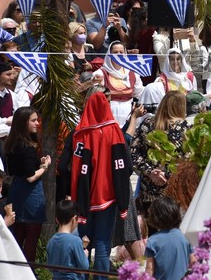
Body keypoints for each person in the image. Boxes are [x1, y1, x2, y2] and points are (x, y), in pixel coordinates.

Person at [71, 92, 131, 280]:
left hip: (84, 197)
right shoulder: (114, 130)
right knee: (103, 243)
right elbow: (126, 166)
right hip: (109, 196)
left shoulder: (81, 133)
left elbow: (68, 166)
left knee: (83, 243)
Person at [131, 91, 191, 215]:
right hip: (174, 192)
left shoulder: (147, 123)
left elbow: (134, 153)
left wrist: (150, 172)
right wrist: (167, 174)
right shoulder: (186, 128)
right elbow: (188, 160)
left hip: (148, 192)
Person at [4, 106, 51, 262]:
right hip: (31, 194)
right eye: (33, 120)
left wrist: (38, 162)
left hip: (16, 190)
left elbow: (18, 169)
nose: (37, 123)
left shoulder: (11, 143)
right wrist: (45, 166)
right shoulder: (27, 146)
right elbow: (31, 177)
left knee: (17, 237)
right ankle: (29, 271)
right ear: (24, 122)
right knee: (31, 239)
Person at [144, 196, 195, 280]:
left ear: (155, 217)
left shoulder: (153, 241)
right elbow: (193, 261)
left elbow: (149, 270)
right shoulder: (184, 237)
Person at [100, 41, 143, 127]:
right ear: (109, 54)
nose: (119, 55)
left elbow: (140, 94)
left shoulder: (133, 74)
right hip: (108, 117)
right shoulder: (100, 74)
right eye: (115, 52)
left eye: (121, 52)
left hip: (128, 116)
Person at [46, 200, 90, 280]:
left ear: (57, 219)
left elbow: (50, 267)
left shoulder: (51, 241)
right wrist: (85, 255)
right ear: (74, 219)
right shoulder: (75, 241)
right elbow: (84, 266)